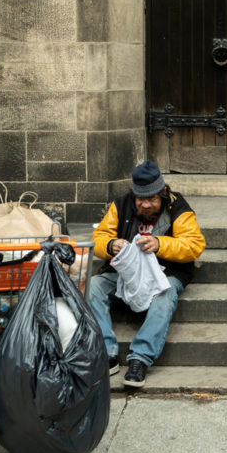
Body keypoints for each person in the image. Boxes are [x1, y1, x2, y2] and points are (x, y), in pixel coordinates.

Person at [90, 160, 206, 388]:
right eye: (140, 199)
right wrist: (110, 244)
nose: (145, 205)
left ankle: (140, 358)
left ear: (162, 193)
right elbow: (98, 238)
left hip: (166, 273)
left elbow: (194, 245)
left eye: (151, 199)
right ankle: (107, 353)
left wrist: (160, 244)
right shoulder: (120, 205)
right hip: (125, 273)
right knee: (93, 286)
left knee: (165, 295)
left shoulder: (178, 207)